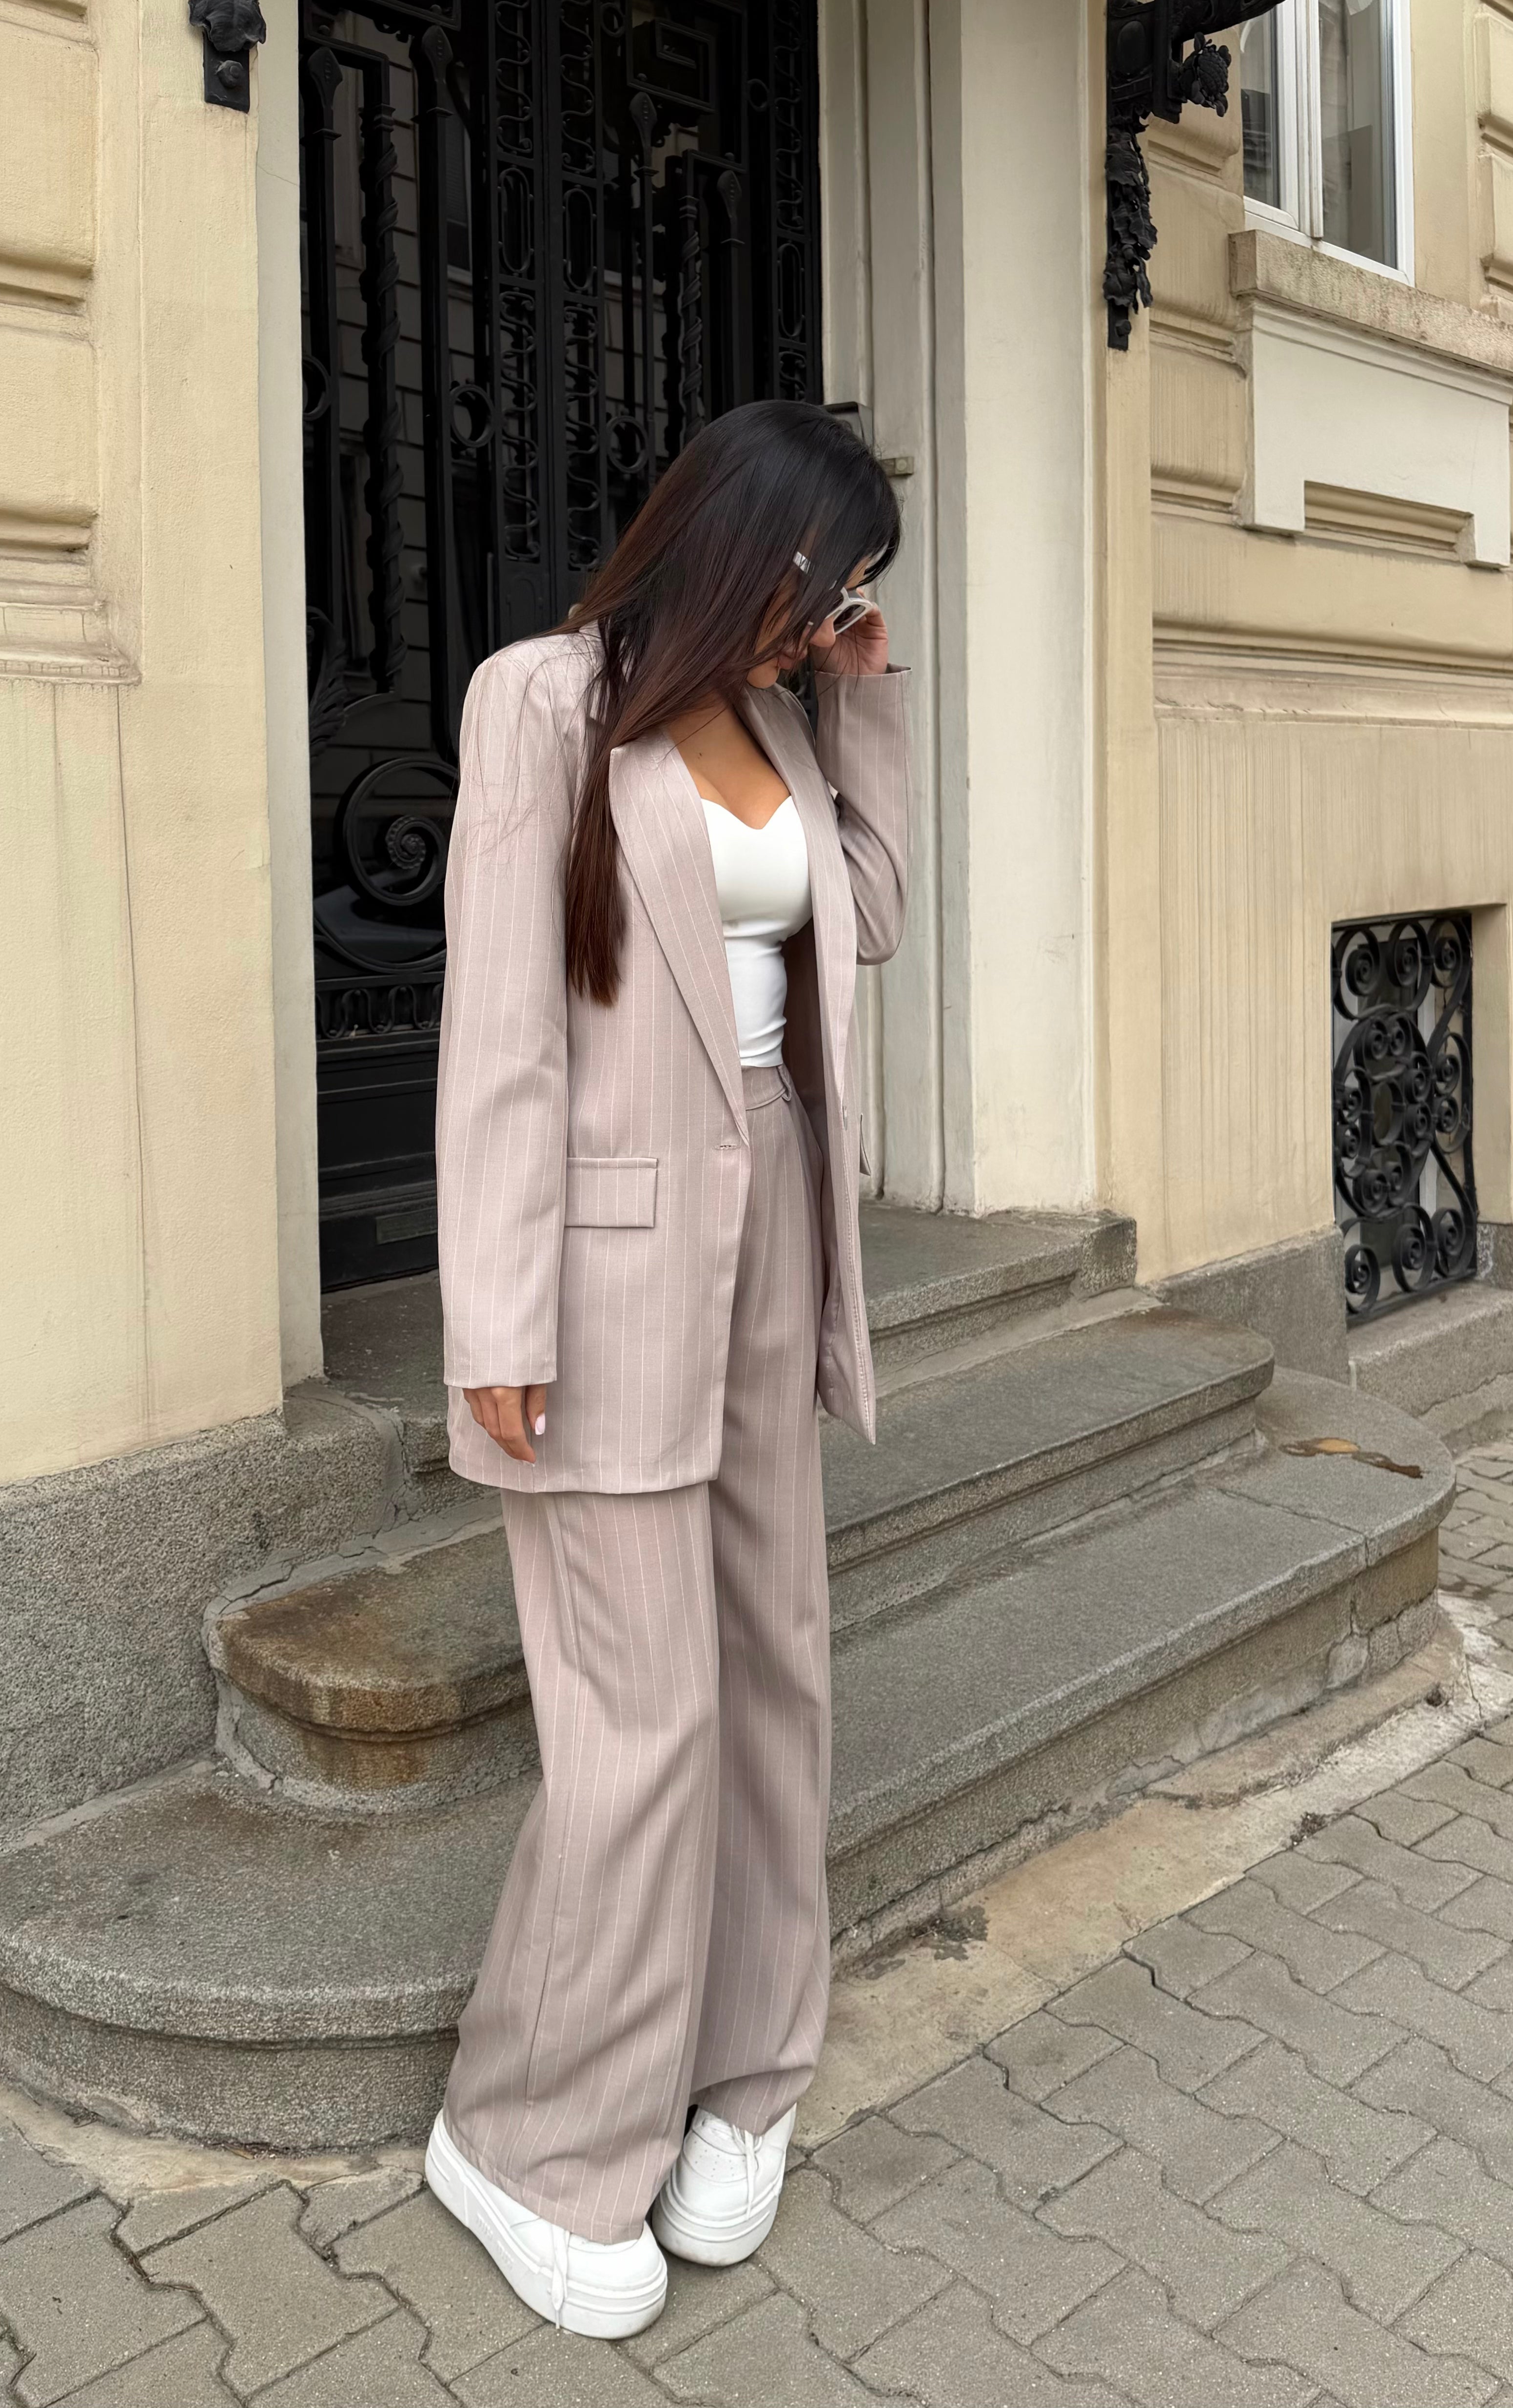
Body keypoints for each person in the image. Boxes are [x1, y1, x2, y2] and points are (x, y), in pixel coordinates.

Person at [424, 400, 909, 2338]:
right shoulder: (544, 702)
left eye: (852, 594)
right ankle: (531, 2136)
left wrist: (866, 704)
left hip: (773, 1233)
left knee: (772, 1669)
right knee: (640, 1725)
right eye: (825, 583)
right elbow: (500, 1026)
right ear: (739, 542)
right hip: (604, 1266)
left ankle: (747, 2068)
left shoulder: (787, 719)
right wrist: (497, 1316)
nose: (831, 617)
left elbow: (872, 913)